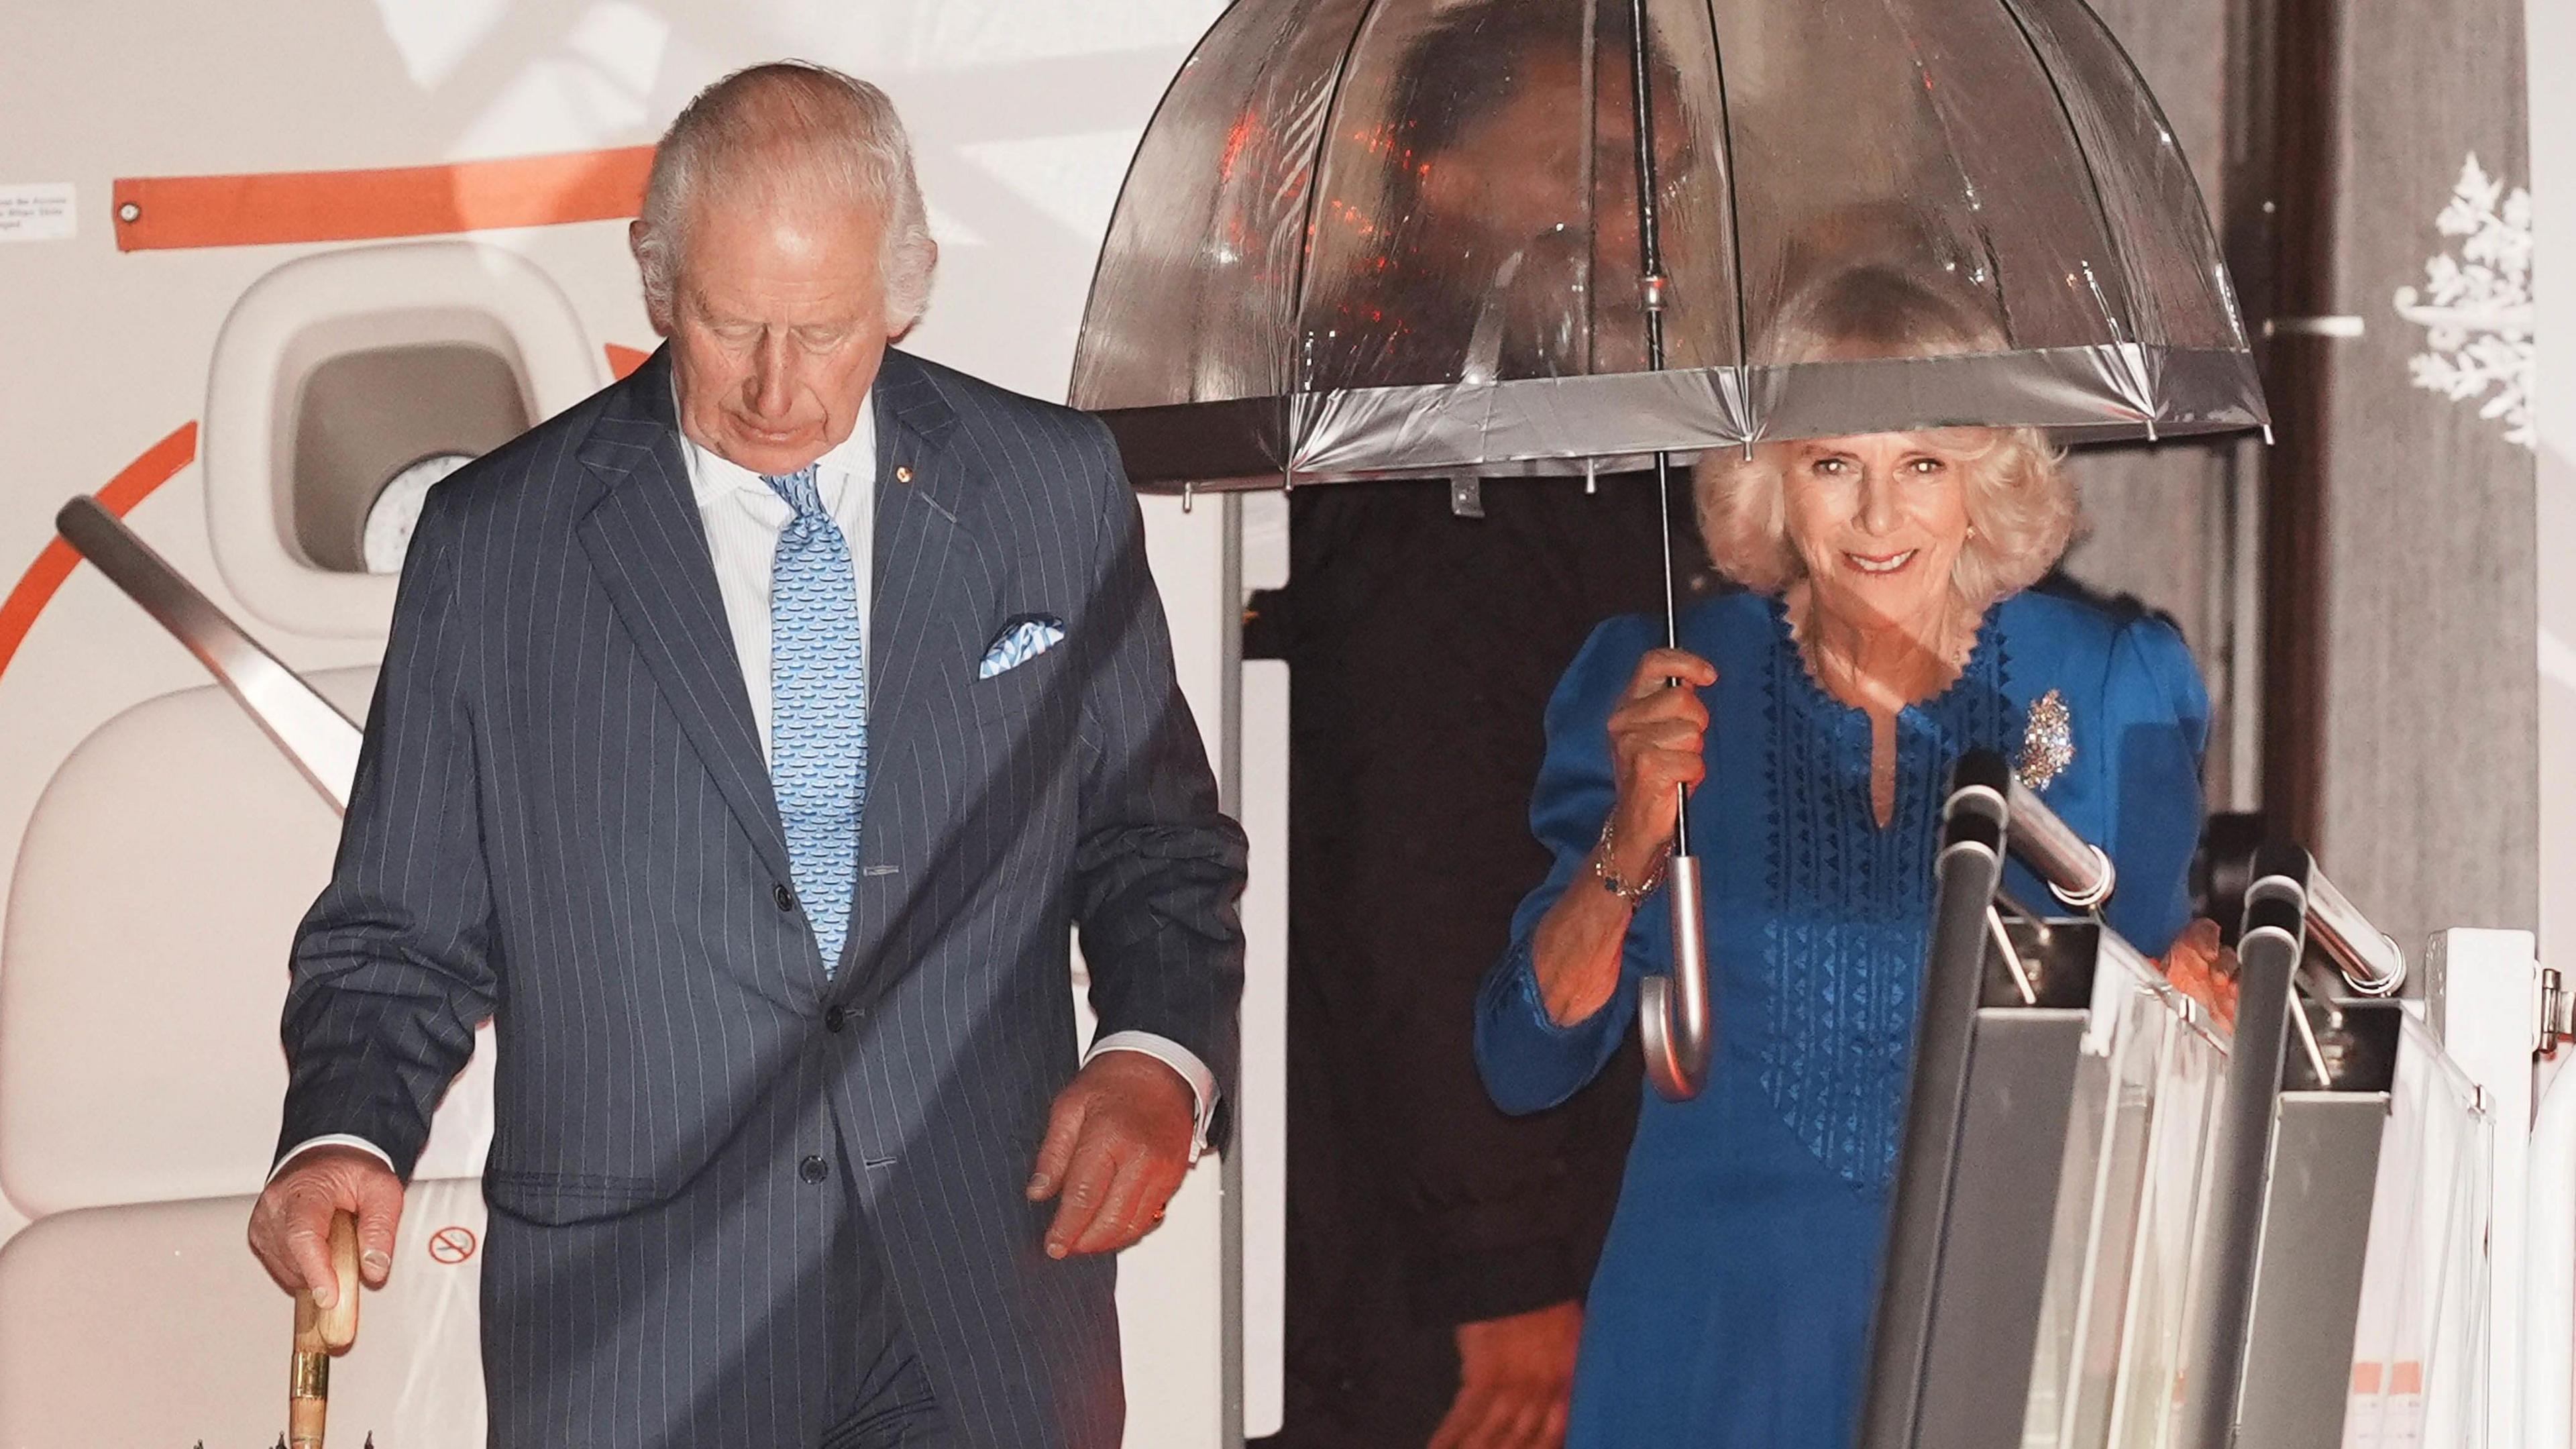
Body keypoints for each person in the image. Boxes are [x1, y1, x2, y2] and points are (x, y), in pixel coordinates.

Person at [245, 62, 1246, 1449]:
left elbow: (1157, 847)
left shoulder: (1046, 492)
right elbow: (395, 934)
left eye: (828, 331)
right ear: (656, 282)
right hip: (641, 1333)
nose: (778, 389)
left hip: (978, 1304)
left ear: (910, 290)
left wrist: (1154, 1051)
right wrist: (343, 1130)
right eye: (730, 327)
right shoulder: (497, 549)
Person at [1472, 266, 2235, 1448]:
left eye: (1923, 464)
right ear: (1769, 482)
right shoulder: (1665, 679)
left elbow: (2158, 1029)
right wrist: (1629, 835)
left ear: (1986, 479)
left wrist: (2192, 980)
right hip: (1713, 1353)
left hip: (2010, 1332)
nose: (1880, 520)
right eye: (1835, 465)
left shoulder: (2109, 681)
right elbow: (1525, 1060)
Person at [1250, 9, 1704, 1446]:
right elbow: (1410, 866)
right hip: (1441, 1255)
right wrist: (1498, 1266)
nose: (1646, 219)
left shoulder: (1572, 433)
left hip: (1535, 1201)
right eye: (1597, 164)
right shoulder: (1433, 459)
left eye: (1666, 176)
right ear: (1437, 181)